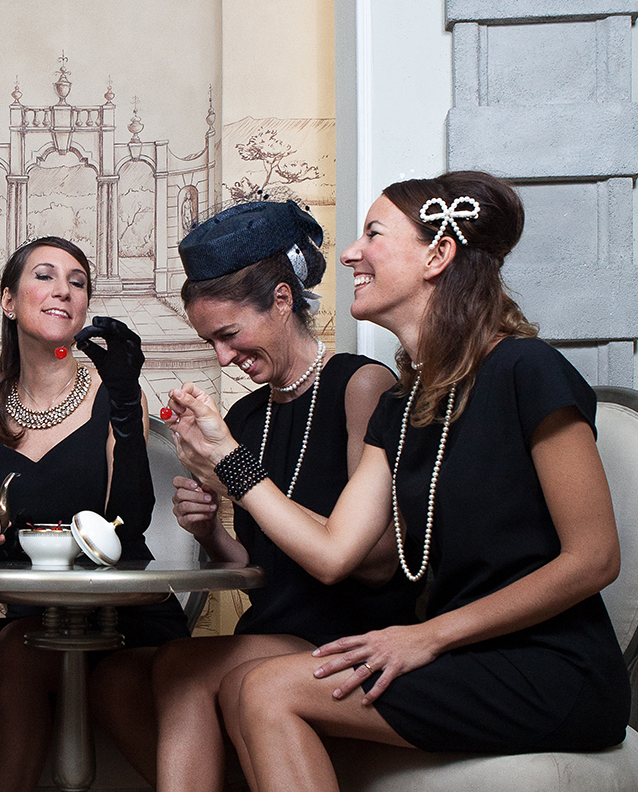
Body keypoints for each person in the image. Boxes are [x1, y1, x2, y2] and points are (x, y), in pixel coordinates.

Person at [166, 171, 631, 791]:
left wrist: (426, 636)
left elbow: (595, 559)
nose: (349, 253)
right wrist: (228, 458)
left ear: (437, 256)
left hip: (549, 666)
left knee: (267, 688)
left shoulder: (526, 369)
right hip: (455, 657)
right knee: (252, 686)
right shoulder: (400, 407)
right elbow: (335, 552)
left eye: (373, 234)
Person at [143, 199, 417, 792]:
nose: (223, 358)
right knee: (149, 669)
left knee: (183, 667)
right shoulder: (245, 416)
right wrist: (210, 530)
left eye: (229, 335)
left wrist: (238, 476)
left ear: (284, 300)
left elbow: (376, 561)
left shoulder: (362, 385)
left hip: (354, 628)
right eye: (211, 343)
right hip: (278, 626)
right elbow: (263, 570)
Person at [0, 235, 189, 792]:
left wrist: (124, 403)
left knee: (17, 651)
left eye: (77, 282)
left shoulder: (117, 396)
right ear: (8, 301)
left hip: (122, 617)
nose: (63, 290)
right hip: (33, 613)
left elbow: (132, 521)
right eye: (44, 276)